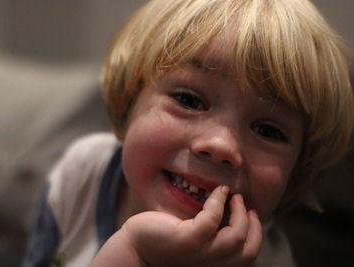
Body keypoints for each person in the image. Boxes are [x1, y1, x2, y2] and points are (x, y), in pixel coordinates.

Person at [23, 0, 354, 266]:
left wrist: (134, 251)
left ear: (295, 176)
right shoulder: (84, 171)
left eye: (268, 130)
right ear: (126, 109)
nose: (221, 145)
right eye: (189, 100)